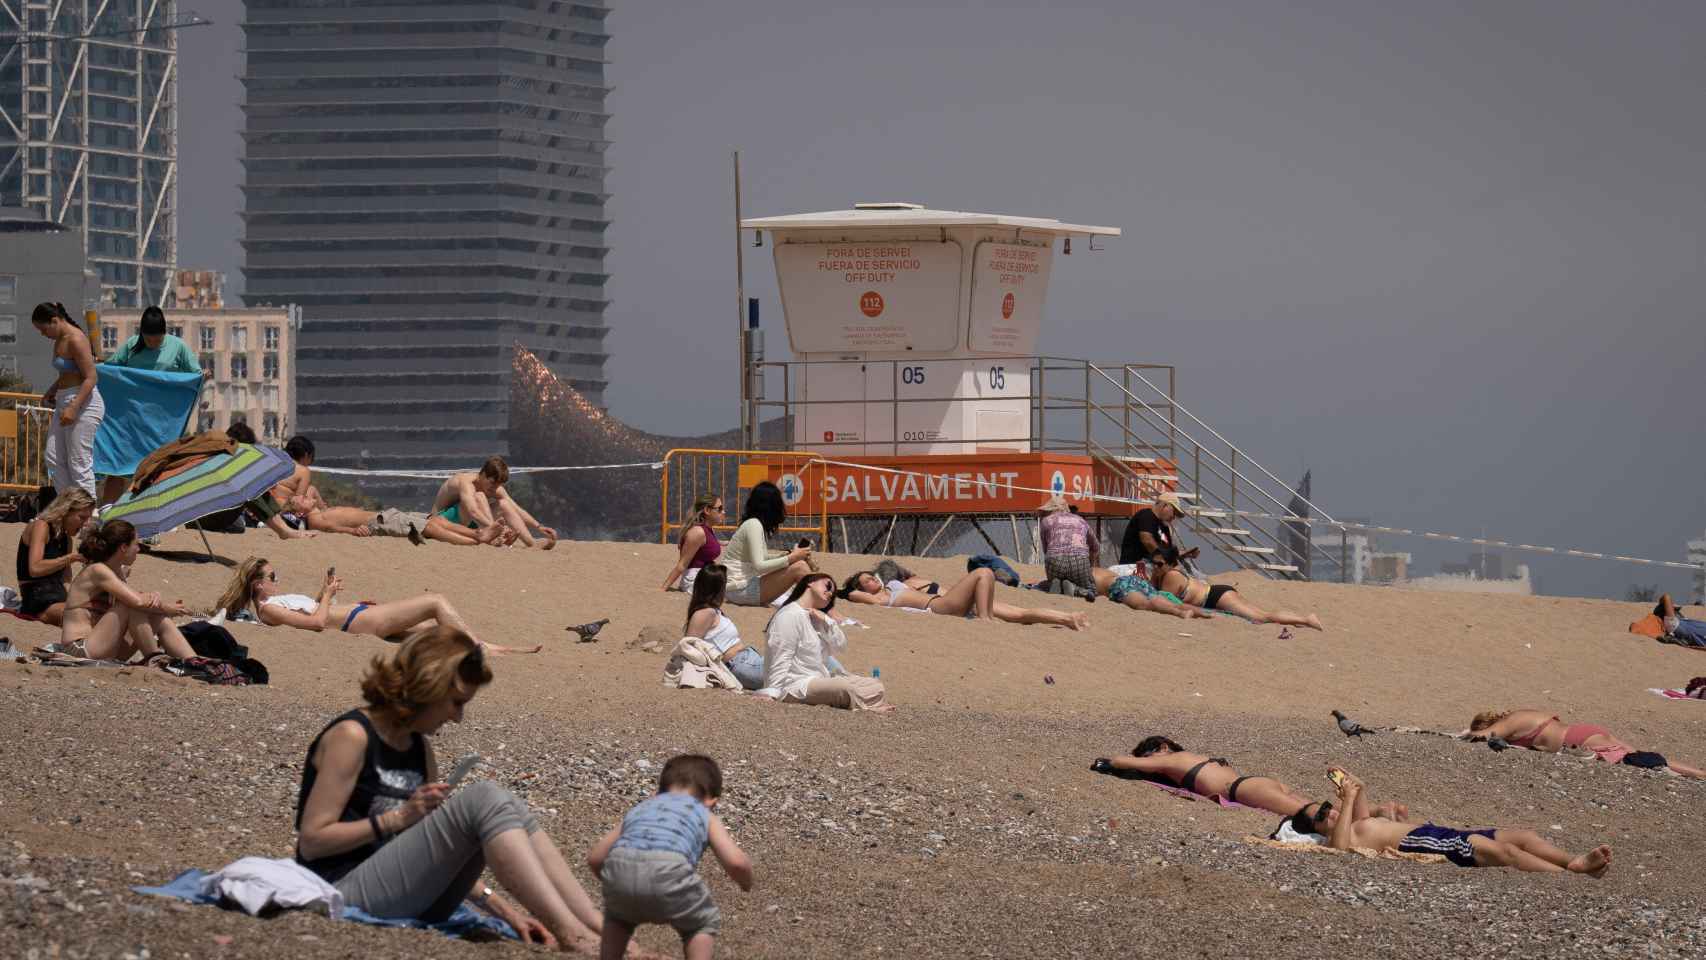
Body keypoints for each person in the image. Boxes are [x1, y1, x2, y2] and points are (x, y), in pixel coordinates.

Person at [294, 626, 610, 950]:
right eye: (456, 702)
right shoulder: (353, 737)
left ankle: (596, 927)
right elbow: (313, 842)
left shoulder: (419, 749)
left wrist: (506, 913)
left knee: (506, 804)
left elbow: (432, 853)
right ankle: (574, 934)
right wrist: (398, 818)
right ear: (428, 686)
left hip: (405, 894)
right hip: (340, 891)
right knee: (483, 797)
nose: (458, 718)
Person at [587, 754, 753, 960]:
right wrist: (746, 883)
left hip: (620, 868)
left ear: (657, 793)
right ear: (712, 801)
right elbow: (736, 863)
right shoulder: (704, 814)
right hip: (668, 869)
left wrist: (620, 883)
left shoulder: (640, 809)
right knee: (701, 924)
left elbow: (595, 858)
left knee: (617, 919)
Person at [1296, 768, 1611, 876]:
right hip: (1425, 841)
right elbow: (1338, 852)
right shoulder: (1342, 838)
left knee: (1524, 837)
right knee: (1506, 853)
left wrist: (1349, 786)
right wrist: (1346, 801)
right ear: (1319, 829)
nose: (1330, 812)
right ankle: (1571, 876)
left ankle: (1572, 861)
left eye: (1326, 806)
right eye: (1321, 816)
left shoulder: (1355, 823)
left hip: (1438, 832)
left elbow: (1360, 792)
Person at [215, 557, 541, 655]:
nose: (277, 577)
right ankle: (484, 648)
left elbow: (313, 612)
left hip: (362, 615)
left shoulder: (277, 602)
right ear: (258, 584)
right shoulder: (269, 609)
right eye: (273, 575)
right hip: (362, 622)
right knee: (436, 601)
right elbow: (316, 624)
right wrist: (328, 596)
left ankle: (480, 649)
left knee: (435, 629)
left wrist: (324, 591)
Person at [1091, 736, 1409, 820]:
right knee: (1317, 810)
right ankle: (1377, 812)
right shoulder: (1195, 758)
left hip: (1242, 788)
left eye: (1150, 757)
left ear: (1161, 748)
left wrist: (1106, 763)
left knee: (1314, 816)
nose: (1150, 766)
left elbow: (1124, 761)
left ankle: (1362, 806)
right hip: (1256, 781)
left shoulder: (1171, 758)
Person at [98, 306, 203, 503]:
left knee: (155, 469)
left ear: (165, 333)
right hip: (129, 420)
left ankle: (149, 513)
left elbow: (195, 373)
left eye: (157, 339)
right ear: (141, 334)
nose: (153, 343)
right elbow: (111, 369)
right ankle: (106, 512)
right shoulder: (132, 345)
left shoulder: (177, 346)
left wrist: (203, 376)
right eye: (148, 339)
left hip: (160, 423)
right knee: (118, 467)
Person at [60, 520, 196, 662]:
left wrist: (156, 603)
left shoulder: (116, 571)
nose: (139, 549)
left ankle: (194, 662)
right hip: (79, 649)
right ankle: (155, 659)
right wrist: (164, 605)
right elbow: (136, 601)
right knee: (130, 606)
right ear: (124, 547)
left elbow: (140, 601)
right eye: (136, 544)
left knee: (158, 617)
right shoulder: (97, 570)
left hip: (105, 646)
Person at [764, 574, 892, 712]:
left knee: (875, 685)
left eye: (833, 593)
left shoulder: (817, 618)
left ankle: (862, 700)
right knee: (842, 687)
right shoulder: (789, 615)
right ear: (810, 583)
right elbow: (781, 655)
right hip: (795, 685)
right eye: (828, 585)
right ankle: (869, 706)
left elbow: (841, 646)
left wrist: (827, 621)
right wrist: (772, 692)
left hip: (819, 678)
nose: (830, 592)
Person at [1465, 708, 1704, 778]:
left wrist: (1464, 734)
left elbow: (1484, 736)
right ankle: (1701, 774)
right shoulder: (1524, 715)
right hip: (1583, 731)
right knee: (1642, 756)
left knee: (1638, 762)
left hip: (1576, 740)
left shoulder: (1511, 721)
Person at [838, 568, 1090, 631]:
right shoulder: (879, 600)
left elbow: (916, 579)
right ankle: (984, 618)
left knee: (1019, 614)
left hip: (947, 599)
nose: (872, 580)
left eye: (872, 576)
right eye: (866, 581)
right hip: (938, 606)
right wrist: (852, 586)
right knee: (983, 572)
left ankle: (1068, 618)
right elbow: (849, 594)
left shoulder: (894, 585)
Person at [1149, 545, 1323, 630]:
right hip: (1217, 593)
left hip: (1215, 597)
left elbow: (1163, 601)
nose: (1155, 567)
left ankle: (1306, 620)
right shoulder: (1165, 573)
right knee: (1262, 614)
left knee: (1261, 617)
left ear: (1170, 564)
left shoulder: (1171, 576)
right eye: (1153, 563)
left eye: (1159, 564)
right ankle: (1297, 621)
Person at [31, 302, 104, 497]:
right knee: (54, 457)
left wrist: (73, 407)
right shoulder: (59, 339)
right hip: (65, 399)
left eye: (43, 329)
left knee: (79, 462)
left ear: (54, 321)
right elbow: (67, 373)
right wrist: (52, 391)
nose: (42, 334)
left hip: (83, 402)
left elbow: (91, 377)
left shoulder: (76, 339)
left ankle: (87, 513)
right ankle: (69, 506)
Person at [424, 456, 556, 549]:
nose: (494, 488)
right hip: (442, 520)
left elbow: (516, 508)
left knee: (504, 504)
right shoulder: (465, 482)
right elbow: (472, 511)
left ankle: (531, 543)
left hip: (471, 523)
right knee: (480, 496)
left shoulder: (494, 487)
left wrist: (538, 526)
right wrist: (497, 528)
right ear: (483, 474)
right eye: (492, 483)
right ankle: (493, 536)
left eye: (498, 484)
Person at [718, 482, 811, 606]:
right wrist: (792, 558)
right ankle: (827, 610)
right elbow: (760, 566)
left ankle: (809, 605)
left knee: (798, 564)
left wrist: (788, 556)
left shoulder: (754, 524)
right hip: (738, 589)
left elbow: (763, 558)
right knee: (800, 567)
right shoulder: (754, 524)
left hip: (739, 586)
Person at [15, 489, 95, 625]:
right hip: (37, 598)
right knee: (85, 618)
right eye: (81, 517)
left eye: (87, 518)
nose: (85, 523)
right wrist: (70, 558)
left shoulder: (66, 539)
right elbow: (35, 568)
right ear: (65, 511)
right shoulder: (41, 526)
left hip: (58, 594)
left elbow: (66, 580)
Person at [682, 564, 764, 691]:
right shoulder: (705, 613)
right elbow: (688, 647)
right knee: (792, 670)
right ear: (718, 588)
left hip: (746, 661)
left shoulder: (713, 610)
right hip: (740, 664)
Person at [1093, 565, 1210, 620]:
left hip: (1118, 585)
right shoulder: (1099, 569)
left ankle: (1179, 613)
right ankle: (1202, 613)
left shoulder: (1085, 575)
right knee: (1165, 601)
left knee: (1145, 604)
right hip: (1132, 579)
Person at [1038, 495, 1098, 596]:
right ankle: (1076, 590)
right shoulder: (1081, 521)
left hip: (1054, 561)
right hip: (1079, 561)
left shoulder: (1045, 521)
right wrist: (1090, 565)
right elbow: (1095, 547)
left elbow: (1046, 550)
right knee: (1091, 589)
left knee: (1047, 583)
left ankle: (1056, 584)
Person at [662, 494, 724, 592]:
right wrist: (663, 588)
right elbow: (682, 565)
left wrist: (721, 543)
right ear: (707, 510)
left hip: (705, 575)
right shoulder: (697, 532)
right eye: (719, 509)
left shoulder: (708, 529)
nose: (723, 511)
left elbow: (706, 545)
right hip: (694, 580)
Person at [1118, 494, 1199, 567]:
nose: (1173, 517)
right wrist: (1161, 558)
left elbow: (1167, 553)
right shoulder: (1146, 515)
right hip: (1132, 567)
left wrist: (1184, 554)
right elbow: (1147, 540)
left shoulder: (1164, 527)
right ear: (1165, 505)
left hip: (1151, 568)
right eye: (1174, 512)